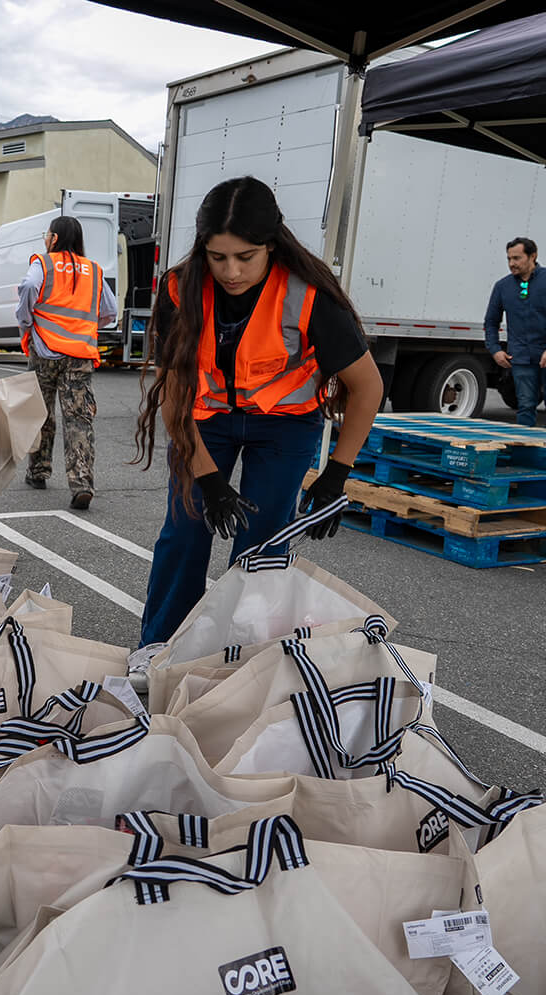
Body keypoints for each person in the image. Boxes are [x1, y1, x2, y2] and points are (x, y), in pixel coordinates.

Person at [131, 175, 385, 654]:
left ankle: (242, 651)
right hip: (203, 420)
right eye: (217, 256)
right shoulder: (179, 290)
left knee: (263, 544)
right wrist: (207, 481)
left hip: (284, 427)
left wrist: (336, 475)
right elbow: (174, 396)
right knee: (185, 530)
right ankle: (160, 645)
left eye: (245, 257)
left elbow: (367, 386)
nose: (230, 271)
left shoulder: (309, 297)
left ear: (272, 245)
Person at [17, 215, 118, 511]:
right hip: (81, 355)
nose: (45, 240)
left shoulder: (44, 263)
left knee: (40, 412)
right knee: (79, 419)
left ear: (55, 238)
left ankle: (38, 471)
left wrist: (27, 321)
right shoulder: (93, 270)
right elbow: (109, 311)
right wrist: (83, 324)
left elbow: (27, 288)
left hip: (45, 351)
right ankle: (82, 483)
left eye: (47, 235)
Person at [485, 237, 546, 430]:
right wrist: (495, 350)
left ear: (533, 256)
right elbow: (491, 322)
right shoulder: (503, 286)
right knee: (525, 407)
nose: (511, 264)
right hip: (521, 357)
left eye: (517, 258)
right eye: (509, 259)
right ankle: (525, 455)